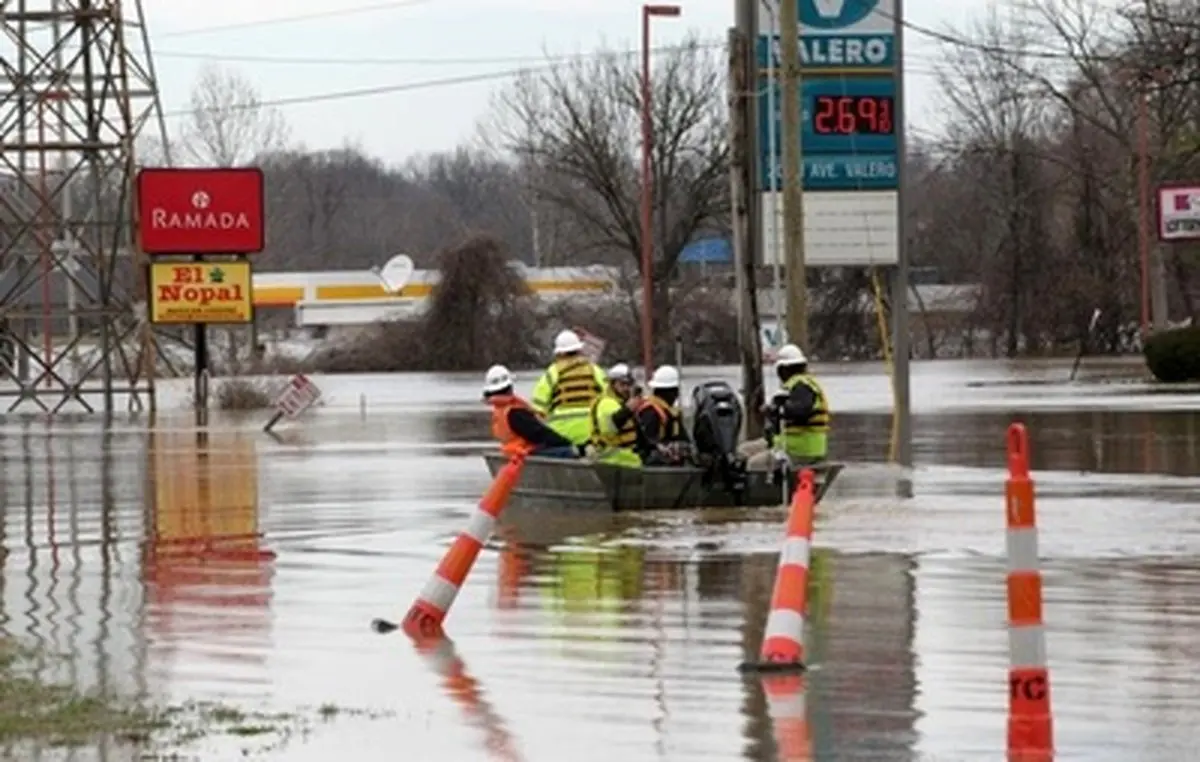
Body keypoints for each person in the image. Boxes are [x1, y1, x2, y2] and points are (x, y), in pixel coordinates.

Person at [739, 344, 830, 470]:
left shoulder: (801, 386)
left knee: (754, 464)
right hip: (787, 443)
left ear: (784, 369)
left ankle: (760, 489)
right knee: (743, 451)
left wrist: (776, 409)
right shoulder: (798, 385)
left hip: (801, 449)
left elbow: (800, 411)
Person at [483, 364, 578, 458]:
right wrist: (567, 443)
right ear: (510, 387)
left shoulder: (499, 410)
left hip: (513, 452)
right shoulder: (515, 412)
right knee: (568, 451)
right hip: (524, 452)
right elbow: (540, 434)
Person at [530, 329, 606, 446]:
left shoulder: (553, 372)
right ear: (579, 350)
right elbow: (611, 398)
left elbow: (538, 408)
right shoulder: (594, 370)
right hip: (592, 433)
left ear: (559, 353)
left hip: (562, 434)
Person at [587, 362, 642, 467]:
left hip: (628, 460)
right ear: (612, 384)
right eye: (622, 384)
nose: (626, 388)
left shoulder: (622, 402)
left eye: (628, 385)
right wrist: (627, 410)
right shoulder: (607, 403)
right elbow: (609, 429)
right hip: (614, 463)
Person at [634, 365, 691, 466]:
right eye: (675, 391)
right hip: (652, 465)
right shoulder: (650, 411)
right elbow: (647, 443)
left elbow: (682, 437)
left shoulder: (671, 412)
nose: (677, 395)